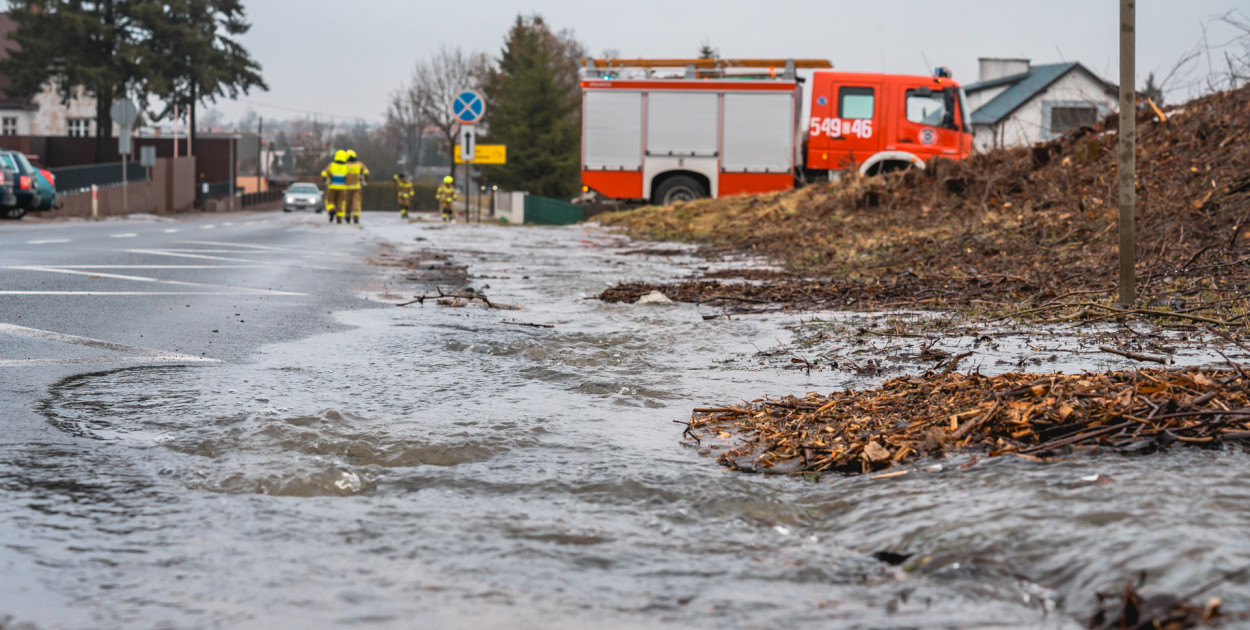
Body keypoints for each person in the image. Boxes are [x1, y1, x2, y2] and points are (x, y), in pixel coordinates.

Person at [340, 149, 370, 224]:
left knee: (347, 203)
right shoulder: (359, 164)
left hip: (346, 188)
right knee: (356, 202)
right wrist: (365, 180)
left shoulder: (345, 165)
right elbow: (367, 173)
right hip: (357, 187)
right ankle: (356, 217)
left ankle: (347, 217)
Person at [320, 150, 349, 222]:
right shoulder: (346, 167)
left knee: (330, 201)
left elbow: (324, 174)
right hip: (342, 188)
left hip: (332, 187)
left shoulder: (331, 165)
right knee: (340, 203)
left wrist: (323, 180)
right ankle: (339, 219)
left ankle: (331, 210)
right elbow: (348, 178)